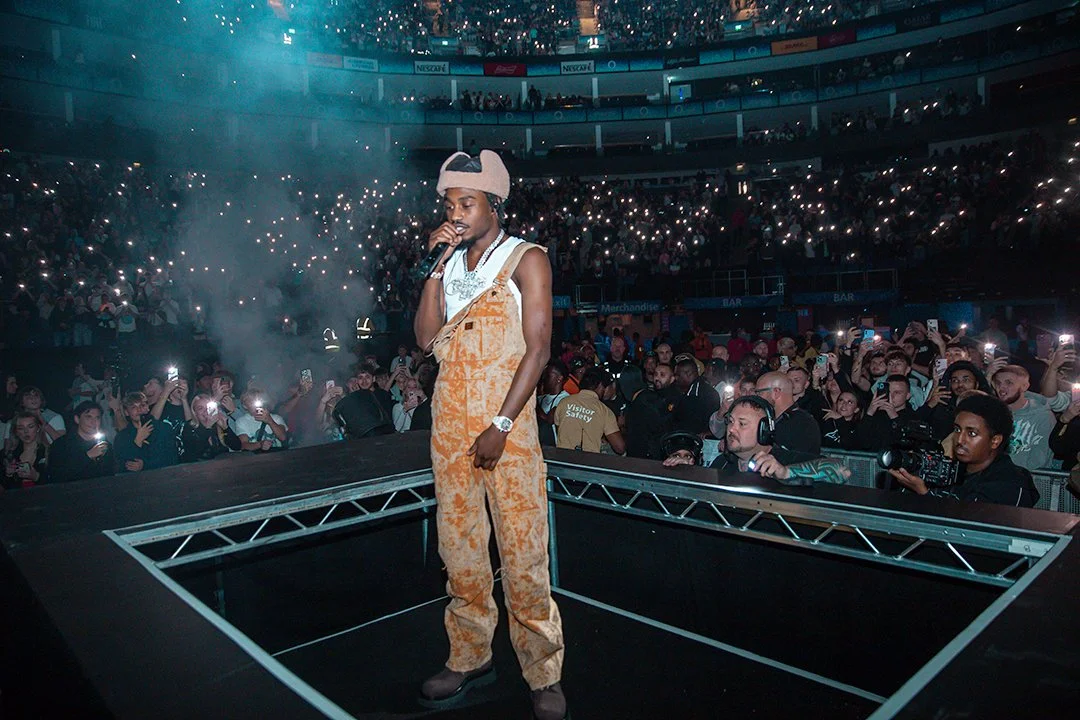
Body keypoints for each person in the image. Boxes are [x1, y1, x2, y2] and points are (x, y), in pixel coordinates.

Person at [413, 150, 566, 719]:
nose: (455, 214)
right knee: (461, 553)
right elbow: (426, 340)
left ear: (495, 205)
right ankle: (470, 655)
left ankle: (543, 670)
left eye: (467, 204)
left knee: (524, 554)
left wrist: (501, 425)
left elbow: (540, 348)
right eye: (450, 205)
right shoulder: (448, 266)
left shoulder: (527, 259)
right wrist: (435, 265)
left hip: (510, 429)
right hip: (449, 424)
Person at [890, 394, 1039, 507]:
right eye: (957, 429)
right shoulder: (950, 471)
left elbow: (973, 527)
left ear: (995, 441)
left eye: (972, 433)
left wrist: (924, 493)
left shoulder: (1011, 481)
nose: (960, 440)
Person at [991, 364, 1070, 471]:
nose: (1002, 388)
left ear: (1024, 386)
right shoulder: (993, 414)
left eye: (1009, 383)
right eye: (998, 383)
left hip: (1028, 482)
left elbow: (1040, 460)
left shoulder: (1043, 416)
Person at [553, 367, 625, 454]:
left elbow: (559, 430)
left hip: (562, 460)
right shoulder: (604, 411)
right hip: (587, 463)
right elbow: (620, 448)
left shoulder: (564, 402)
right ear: (600, 386)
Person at [753, 372, 820, 463]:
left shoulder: (803, 424)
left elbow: (798, 464)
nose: (756, 398)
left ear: (776, 392)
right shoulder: (770, 419)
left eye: (759, 393)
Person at [48, 401, 116, 482]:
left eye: (97, 418)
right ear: (77, 419)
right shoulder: (61, 444)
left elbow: (109, 475)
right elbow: (57, 475)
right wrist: (88, 455)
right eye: (88, 417)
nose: (94, 422)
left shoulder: (104, 444)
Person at [180, 394, 242, 462]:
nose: (206, 411)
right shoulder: (189, 428)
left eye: (208, 407)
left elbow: (237, 446)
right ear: (195, 412)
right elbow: (195, 453)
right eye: (200, 408)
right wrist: (208, 427)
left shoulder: (217, 426)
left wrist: (225, 427)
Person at [2, 412, 49, 489]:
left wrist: (36, 477)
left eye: (30, 426)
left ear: (38, 428)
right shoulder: (9, 454)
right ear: (16, 431)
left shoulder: (49, 452)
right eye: (21, 428)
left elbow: (57, 481)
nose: (26, 431)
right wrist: (8, 474)